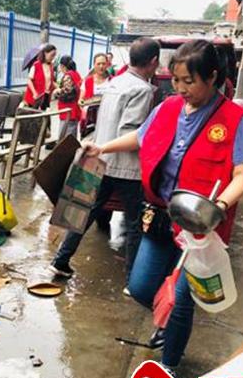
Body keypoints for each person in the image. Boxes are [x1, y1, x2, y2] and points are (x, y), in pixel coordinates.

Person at [82, 39, 243, 372]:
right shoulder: (168, 108)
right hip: (161, 215)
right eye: (176, 80)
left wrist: (219, 205)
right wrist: (102, 148)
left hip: (200, 228)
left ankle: (169, 364)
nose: (180, 88)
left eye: (189, 81)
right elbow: (140, 137)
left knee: (181, 301)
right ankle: (166, 322)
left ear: (212, 77)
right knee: (141, 287)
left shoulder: (234, 119)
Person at [50, 38, 160, 280]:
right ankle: (132, 278)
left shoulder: (114, 83)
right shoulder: (141, 90)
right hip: (126, 168)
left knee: (86, 213)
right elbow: (131, 132)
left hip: (100, 159)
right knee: (134, 224)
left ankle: (60, 260)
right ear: (153, 61)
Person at [54, 55, 82, 139]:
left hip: (68, 110)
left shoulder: (68, 76)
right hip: (74, 109)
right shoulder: (76, 74)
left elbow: (67, 93)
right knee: (71, 135)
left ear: (62, 66)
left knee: (65, 137)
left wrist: (58, 92)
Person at [23, 44, 57, 110]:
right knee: (33, 114)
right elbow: (29, 80)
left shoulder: (51, 66)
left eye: (54, 56)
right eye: (52, 55)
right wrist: (34, 93)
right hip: (35, 97)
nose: (53, 57)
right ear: (45, 53)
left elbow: (50, 81)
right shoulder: (36, 65)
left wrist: (58, 88)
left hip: (45, 96)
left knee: (44, 114)